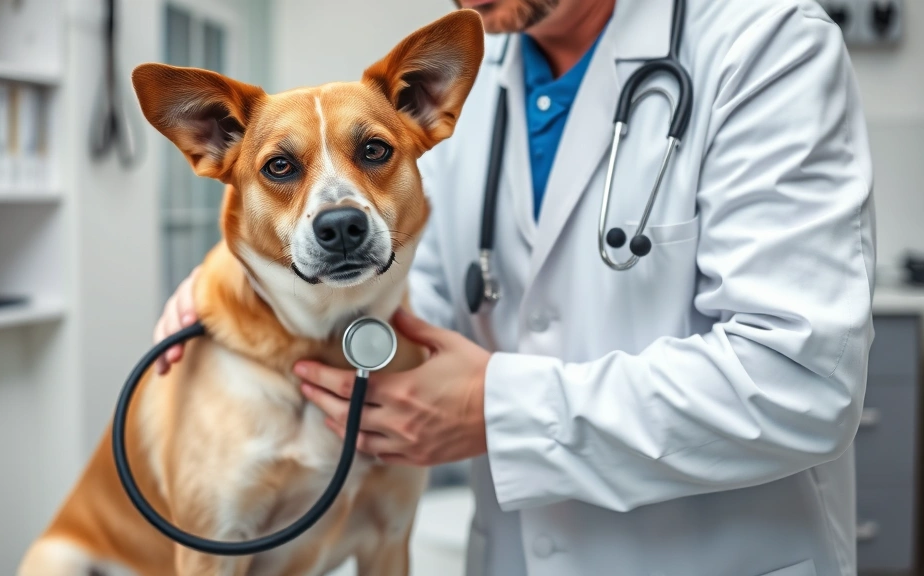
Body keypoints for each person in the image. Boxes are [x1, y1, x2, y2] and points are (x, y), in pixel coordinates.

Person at [154, 0, 875, 574]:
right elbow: (414, 303)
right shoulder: (467, 75)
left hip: (711, 557)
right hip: (512, 555)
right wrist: (243, 288)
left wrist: (496, 409)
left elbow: (800, 382)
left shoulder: (767, 45)